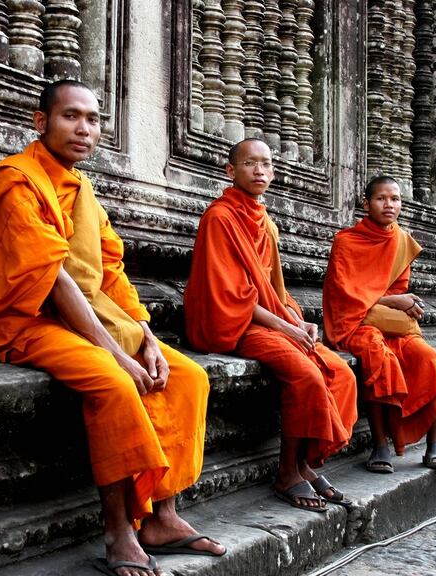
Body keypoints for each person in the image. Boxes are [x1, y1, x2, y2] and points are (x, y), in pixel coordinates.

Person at [0, 80, 225, 576]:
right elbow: (51, 278)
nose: (84, 129)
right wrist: (118, 354)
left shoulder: (82, 189)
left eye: (93, 120)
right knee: (116, 383)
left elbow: (111, 270)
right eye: (71, 116)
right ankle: (117, 529)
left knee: (187, 377)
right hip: (26, 319)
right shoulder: (13, 181)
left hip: (91, 314)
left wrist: (147, 337)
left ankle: (163, 516)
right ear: (40, 121)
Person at [184, 138, 358, 513]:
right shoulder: (219, 218)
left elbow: (275, 289)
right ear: (231, 171)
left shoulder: (265, 222)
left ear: (274, 172)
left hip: (270, 319)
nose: (259, 170)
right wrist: (284, 327)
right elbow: (232, 295)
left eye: (266, 164)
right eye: (250, 163)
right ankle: (286, 473)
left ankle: (306, 464)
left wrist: (298, 320)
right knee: (307, 376)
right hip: (233, 322)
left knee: (341, 372)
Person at [322, 175, 436, 474]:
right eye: (381, 199)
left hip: (390, 324)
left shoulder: (401, 242)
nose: (389, 205)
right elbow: (345, 295)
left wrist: (404, 303)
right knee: (379, 357)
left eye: (395, 199)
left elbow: (397, 290)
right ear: (367, 204)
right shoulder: (346, 241)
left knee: (428, 358)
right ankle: (380, 443)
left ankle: (435, 442)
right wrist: (397, 302)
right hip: (356, 324)